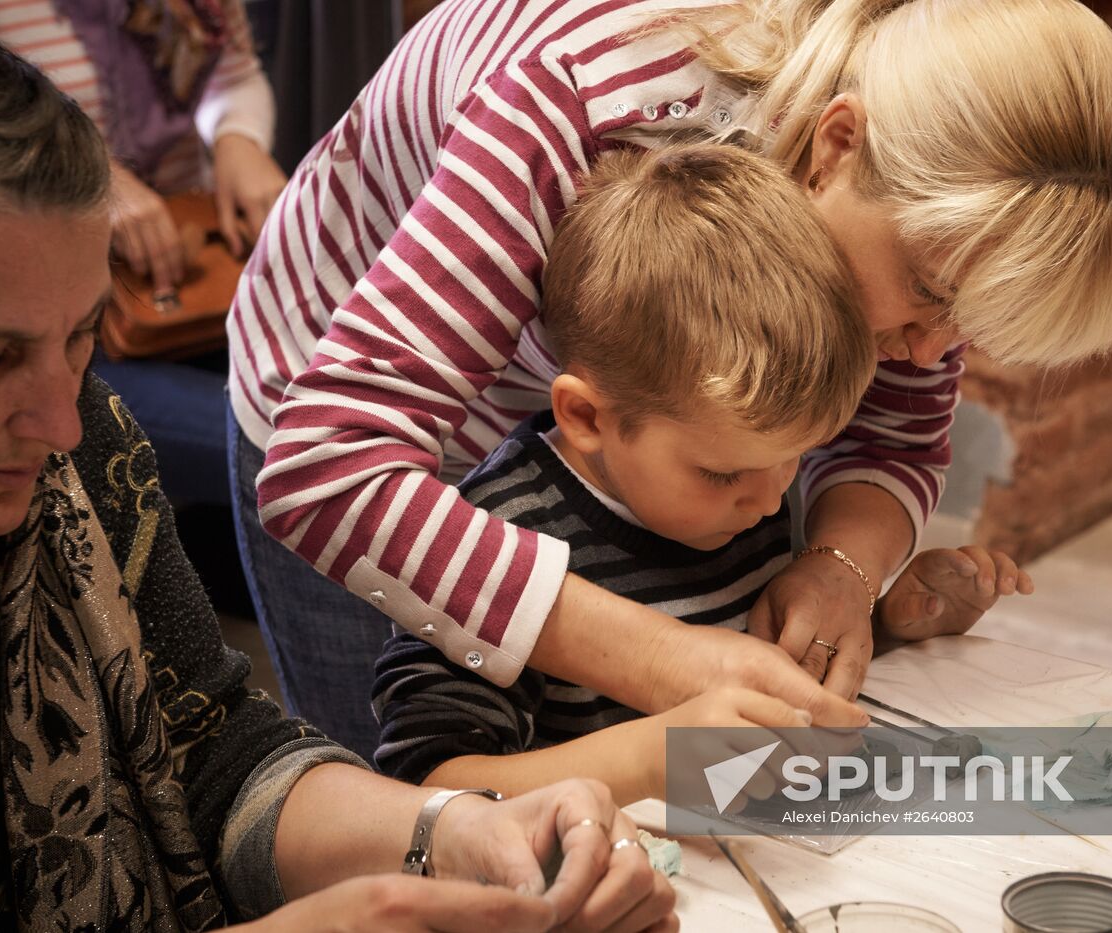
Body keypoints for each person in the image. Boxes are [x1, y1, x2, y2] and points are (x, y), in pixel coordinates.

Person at [227, 0, 1112, 758]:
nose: (927, 353)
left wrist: (841, 569)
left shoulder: (921, 204)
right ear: (836, 145)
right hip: (357, 411)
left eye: (967, 324)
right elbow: (331, 471)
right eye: (927, 294)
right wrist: (661, 658)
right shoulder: (576, 104)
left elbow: (893, 437)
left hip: (627, 438)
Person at [0, 23, 676, 932]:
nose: (61, 422)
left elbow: (215, 749)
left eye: (83, 337)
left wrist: (449, 829)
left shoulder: (86, 461)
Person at [372, 143, 1033, 803]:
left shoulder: (747, 489)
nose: (773, 501)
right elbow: (425, 792)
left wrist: (882, 627)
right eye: (723, 474)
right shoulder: (491, 543)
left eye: (796, 458)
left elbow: (763, 675)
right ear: (587, 416)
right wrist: (651, 759)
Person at [0, 0, 290, 514]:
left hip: (192, 289)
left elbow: (233, 74)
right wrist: (98, 181)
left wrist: (237, 137)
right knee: (294, 455)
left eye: (78, 339)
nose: (61, 431)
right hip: (107, 324)